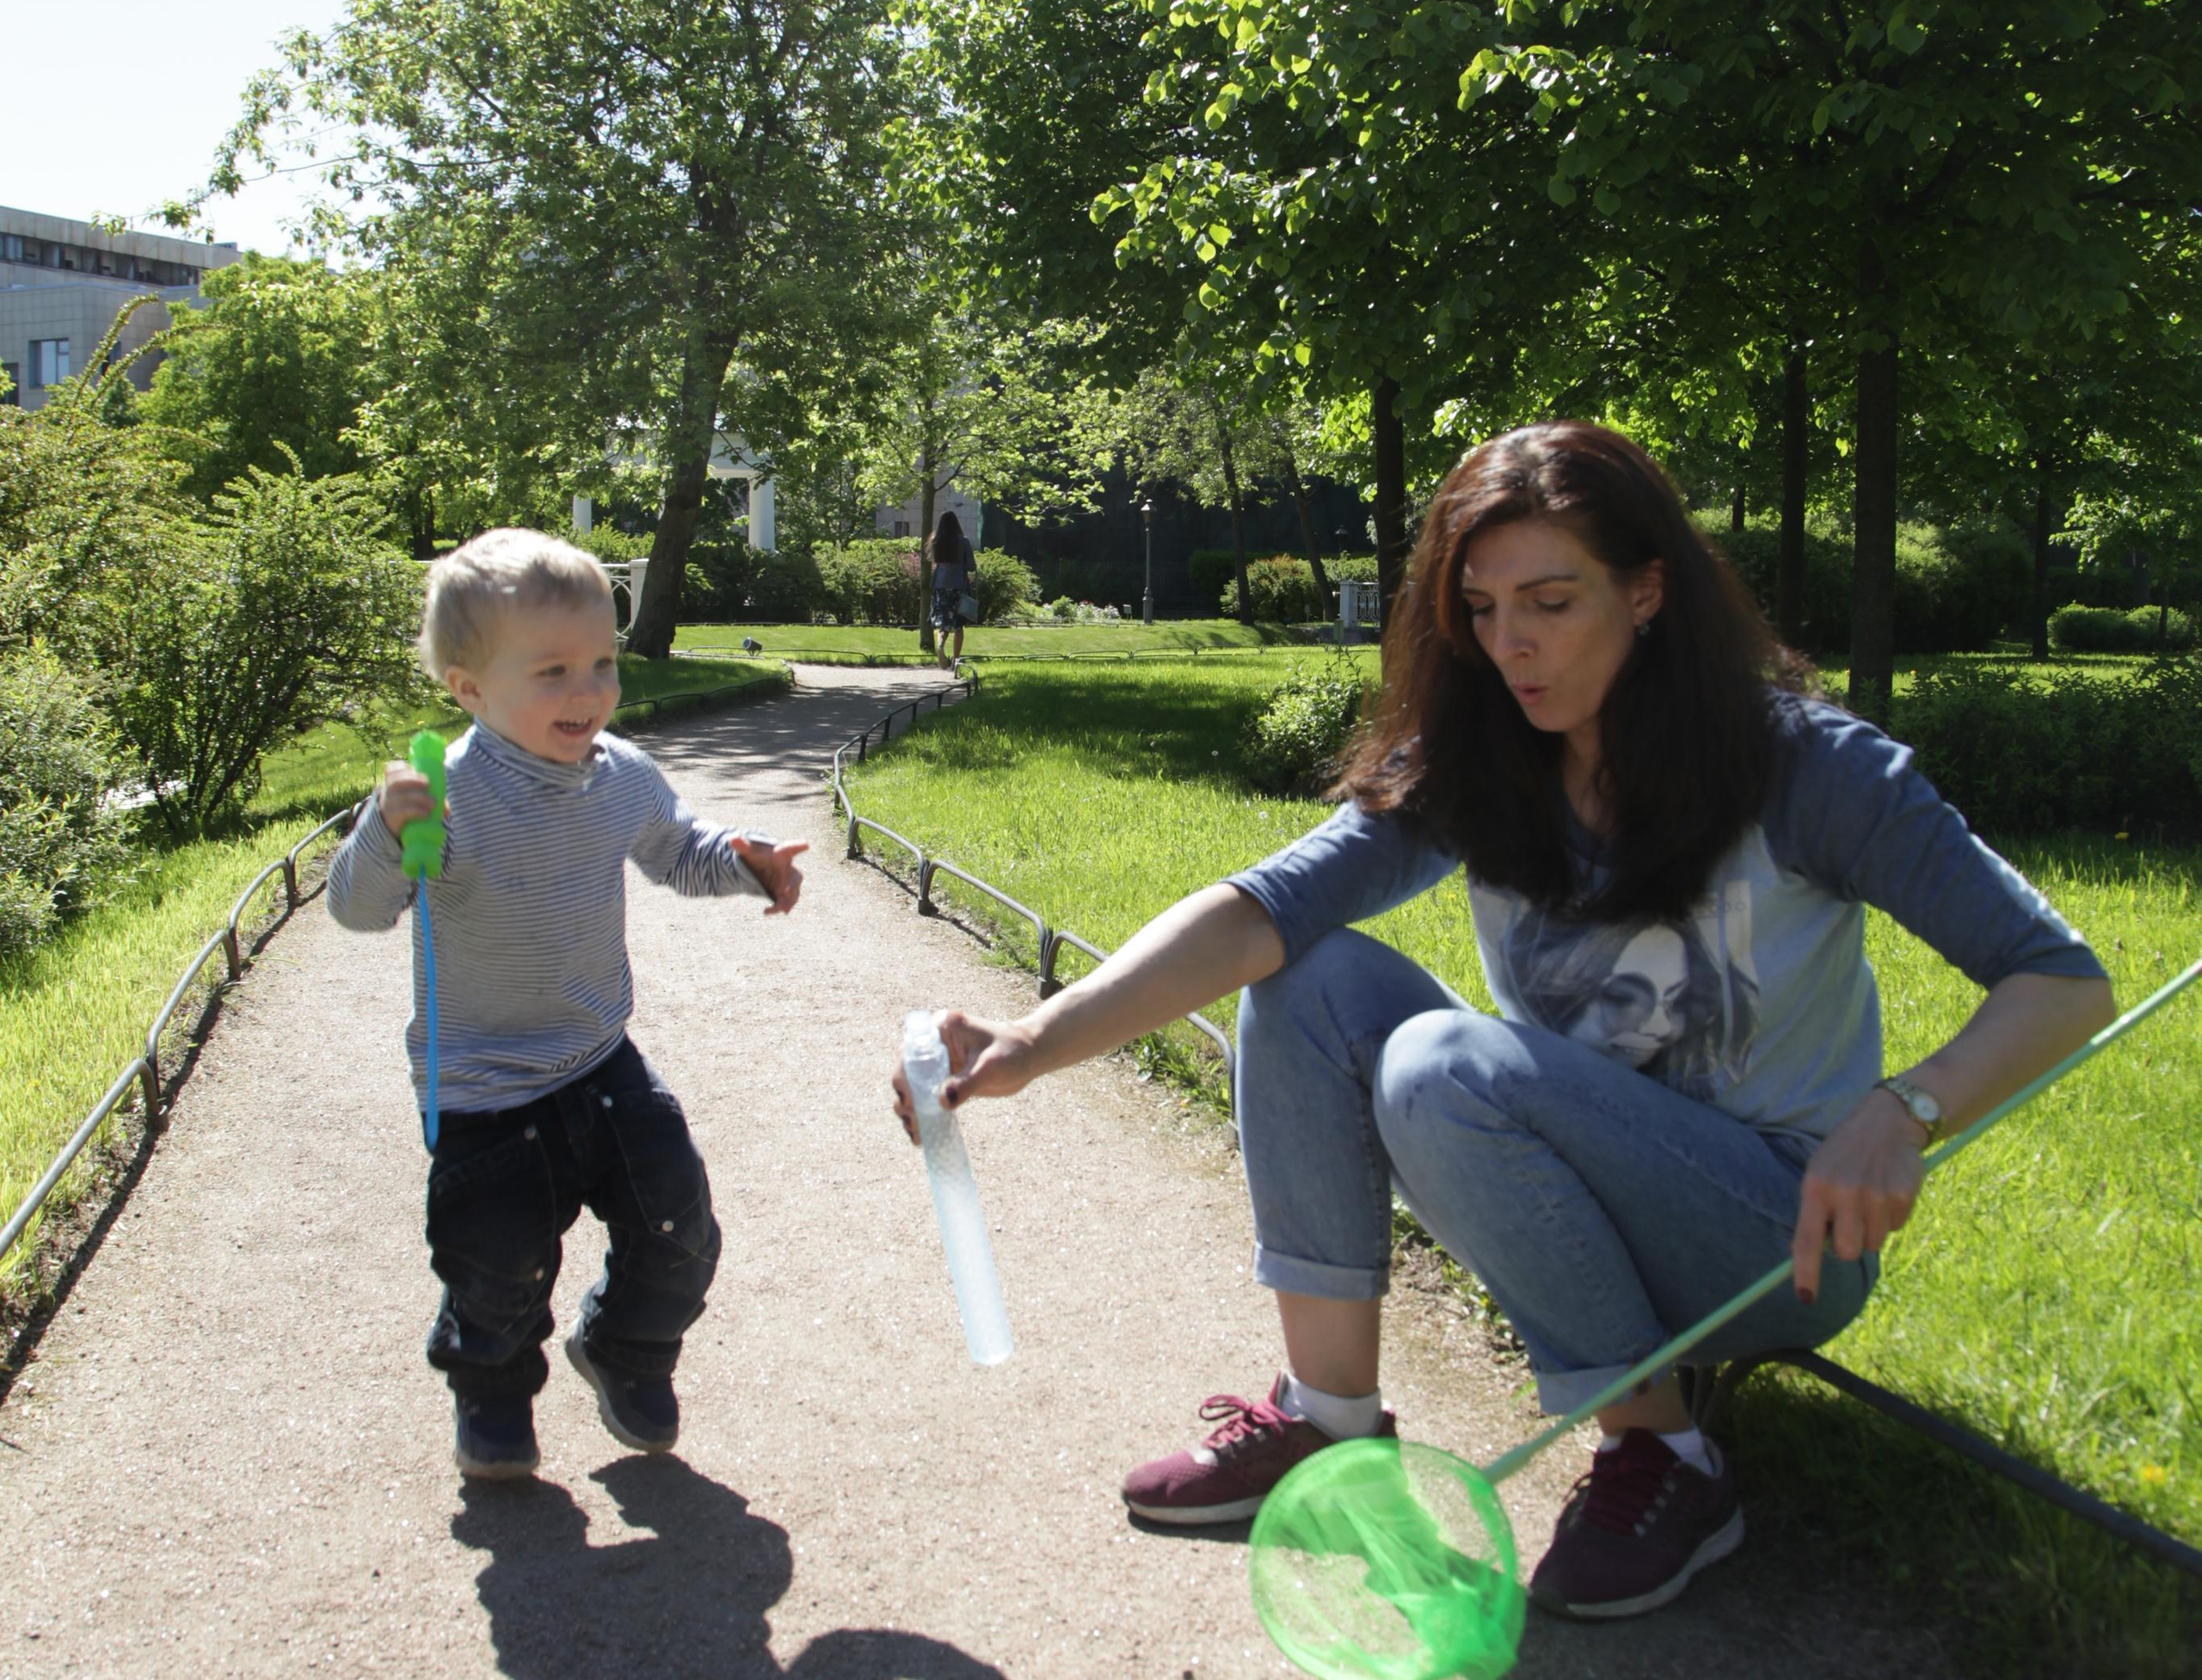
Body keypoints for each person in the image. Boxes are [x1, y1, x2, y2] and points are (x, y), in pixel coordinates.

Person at [893, 424, 2112, 1620]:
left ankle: (1665, 1456)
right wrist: (1030, 1042)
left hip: (1774, 1239)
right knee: (1306, 981)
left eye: (1549, 602)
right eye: (1478, 609)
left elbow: (2062, 980)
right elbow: (1262, 909)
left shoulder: (1809, 769)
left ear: (1647, 593)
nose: (1509, 645)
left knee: (1440, 1063)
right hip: (1571, 1199)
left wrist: (1906, 1108)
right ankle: (1329, 1428)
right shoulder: (1485, 759)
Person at [329, 529, 807, 1482]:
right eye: (551, 671)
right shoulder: (446, 798)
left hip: (598, 1058)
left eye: (601, 664)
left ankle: (626, 1349)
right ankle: (493, 1393)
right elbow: (357, 909)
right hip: (483, 1091)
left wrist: (744, 863)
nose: (587, 692)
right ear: (468, 688)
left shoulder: (620, 774)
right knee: (496, 1266)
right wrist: (387, 832)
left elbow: (676, 847)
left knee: (680, 1226)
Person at [930, 512, 975, 668]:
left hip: (940, 585)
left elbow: (935, 562)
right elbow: (972, 566)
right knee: (959, 625)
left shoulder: (936, 541)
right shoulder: (963, 542)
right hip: (959, 585)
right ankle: (956, 661)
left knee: (943, 624)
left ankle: (940, 647)